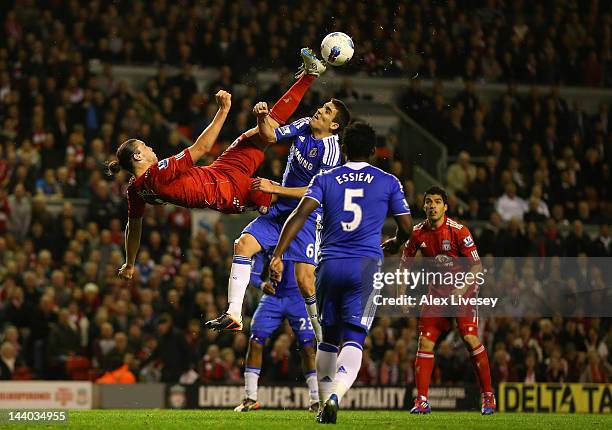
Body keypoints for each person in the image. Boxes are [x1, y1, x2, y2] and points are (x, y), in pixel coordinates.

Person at [107, 49, 327, 281]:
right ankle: (325, 221)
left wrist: (129, 262)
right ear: (138, 157)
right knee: (279, 197)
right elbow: (201, 149)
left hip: (220, 171)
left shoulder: (135, 189)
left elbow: (133, 227)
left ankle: (309, 75)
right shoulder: (156, 174)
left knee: (265, 131)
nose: (150, 147)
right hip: (225, 191)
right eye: (144, 146)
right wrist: (223, 111)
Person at [268, 122, 413, 424]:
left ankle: (323, 408)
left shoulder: (325, 178)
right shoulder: (388, 181)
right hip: (365, 267)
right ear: (374, 151)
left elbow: (299, 214)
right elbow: (407, 228)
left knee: (328, 339)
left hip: (330, 266)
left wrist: (279, 254)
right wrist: (396, 244)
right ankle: (335, 394)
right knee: (355, 338)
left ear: (343, 149)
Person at [205, 94, 351, 340]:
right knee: (242, 245)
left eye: (326, 111)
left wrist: (275, 189)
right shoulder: (305, 124)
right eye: (322, 106)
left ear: (334, 125)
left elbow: (317, 192)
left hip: (307, 214)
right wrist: (263, 118)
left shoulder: (331, 151)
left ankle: (323, 337)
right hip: (283, 209)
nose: (319, 110)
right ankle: (233, 315)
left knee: (305, 283)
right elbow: (271, 136)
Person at [401, 186, 495, 415]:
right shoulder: (417, 233)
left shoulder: (458, 231)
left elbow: (477, 266)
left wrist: (463, 287)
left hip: (464, 292)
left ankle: (488, 396)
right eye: (428, 202)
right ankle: (421, 401)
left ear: (445, 206)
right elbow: (405, 264)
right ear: (423, 206)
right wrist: (401, 294)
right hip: (437, 294)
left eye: (437, 202)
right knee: (425, 342)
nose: (432, 206)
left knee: (470, 337)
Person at [234, 252, 318, 412]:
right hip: (273, 298)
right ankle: (250, 397)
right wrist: (262, 285)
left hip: (299, 298)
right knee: (255, 339)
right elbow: (253, 274)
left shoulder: (306, 236)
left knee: (308, 346)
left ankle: (316, 400)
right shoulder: (268, 241)